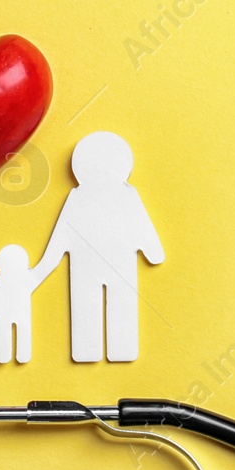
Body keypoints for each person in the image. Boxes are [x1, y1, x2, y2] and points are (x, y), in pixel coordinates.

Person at [34, 131, 163, 362]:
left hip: (98, 267)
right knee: (103, 306)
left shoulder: (99, 196)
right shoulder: (87, 197)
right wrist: (153, 252)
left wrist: (42, 268)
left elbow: (61, 237)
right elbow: (63, 233)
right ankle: (100, 350)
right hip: (106, 265)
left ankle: (100, 350)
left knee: (105, 306)